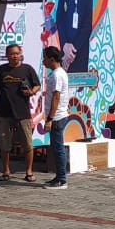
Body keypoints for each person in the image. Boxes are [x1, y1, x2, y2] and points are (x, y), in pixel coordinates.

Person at [0, 44, 40, 182]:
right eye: (12, 54)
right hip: (4, 113)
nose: (14, 56)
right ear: (7, 55)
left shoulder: (27, 69)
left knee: (28, 144)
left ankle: (29, 171)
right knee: (5, 144)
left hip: (23, 113)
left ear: (21, 54)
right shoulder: (1, 70)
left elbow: (37, 85)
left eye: (17, 53)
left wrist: (31, 92)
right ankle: (6, 171)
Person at [42, 46, 70, 190]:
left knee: (58, 148)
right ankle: (59, 176)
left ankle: (62, 179)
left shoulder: (57, 75)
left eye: (45, 58)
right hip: (58, 115)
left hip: (57, 117)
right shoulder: (58, 73)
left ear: (52, 59)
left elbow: (56, 97)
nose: (43, 61)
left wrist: (50, 119)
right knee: (56, 147)